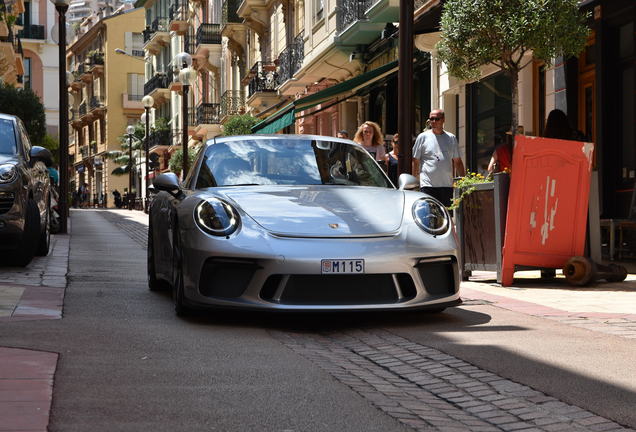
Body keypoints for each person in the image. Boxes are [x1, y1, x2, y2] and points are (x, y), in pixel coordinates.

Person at [412, 109, 465, 207]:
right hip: (427, 185)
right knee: (430, 216)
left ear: (443, 120)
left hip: (446, 185)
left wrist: (464, 182)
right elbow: (416, 161)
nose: (433, 121)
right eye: (431, 119)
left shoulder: (451, 138)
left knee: (446, 216)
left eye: (437, 119)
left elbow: (457, 161)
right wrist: (415, 182)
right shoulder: (422, 137)